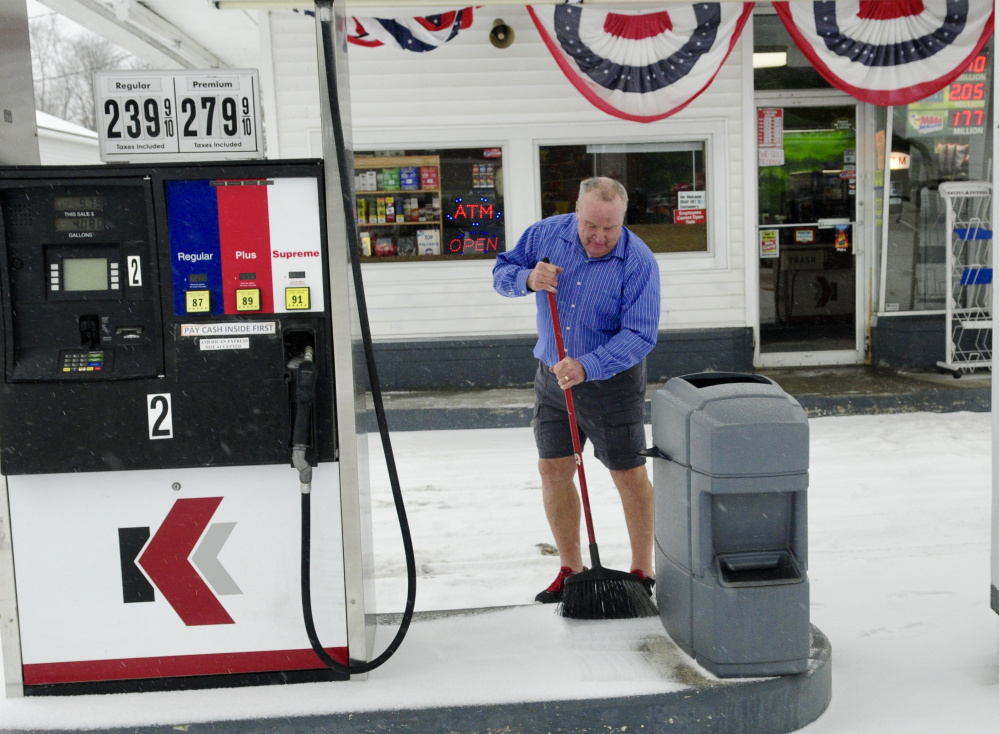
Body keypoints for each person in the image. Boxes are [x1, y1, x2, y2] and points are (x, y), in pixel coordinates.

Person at [492, 177, 661, 603]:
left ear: (623, 220)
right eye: (591, 225)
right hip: (552, 376)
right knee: (553, 469)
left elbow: (641, 334)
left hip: (611, 382)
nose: (599, 237)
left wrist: (589, 365)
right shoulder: (546, 234)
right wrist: (528, 278)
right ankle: (571, 567)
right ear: (576, 212)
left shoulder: (638, 262)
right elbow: (501, 272)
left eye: (610, 228)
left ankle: (642, 571)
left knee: (628, 474)